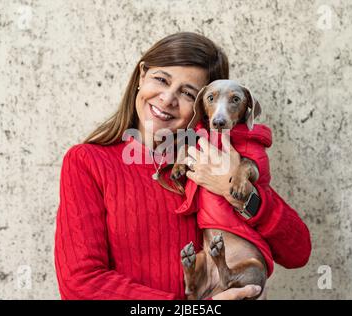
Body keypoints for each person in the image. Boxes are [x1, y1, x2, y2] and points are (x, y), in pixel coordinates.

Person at [54, 32, 311, 300]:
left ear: (204, 108)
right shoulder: (87, 162)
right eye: (161, 79)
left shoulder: (212, 160)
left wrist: (239, 194)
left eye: (187, 93)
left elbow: (298, 251)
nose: (167, 99)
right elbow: (80, 283)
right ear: (142, 75)